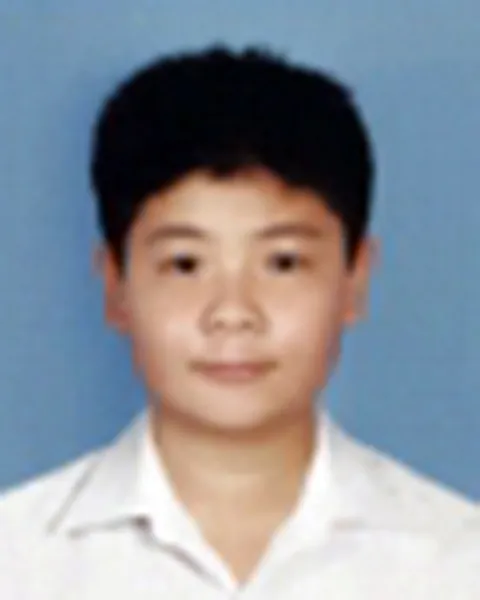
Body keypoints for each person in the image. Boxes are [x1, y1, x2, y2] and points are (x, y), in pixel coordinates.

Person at [0, 46, 476, 599]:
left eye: (283, 263)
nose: (232, 313)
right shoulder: (18, 559)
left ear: (355, 280)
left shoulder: (458, 561)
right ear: (116, 287)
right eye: (185, 264)